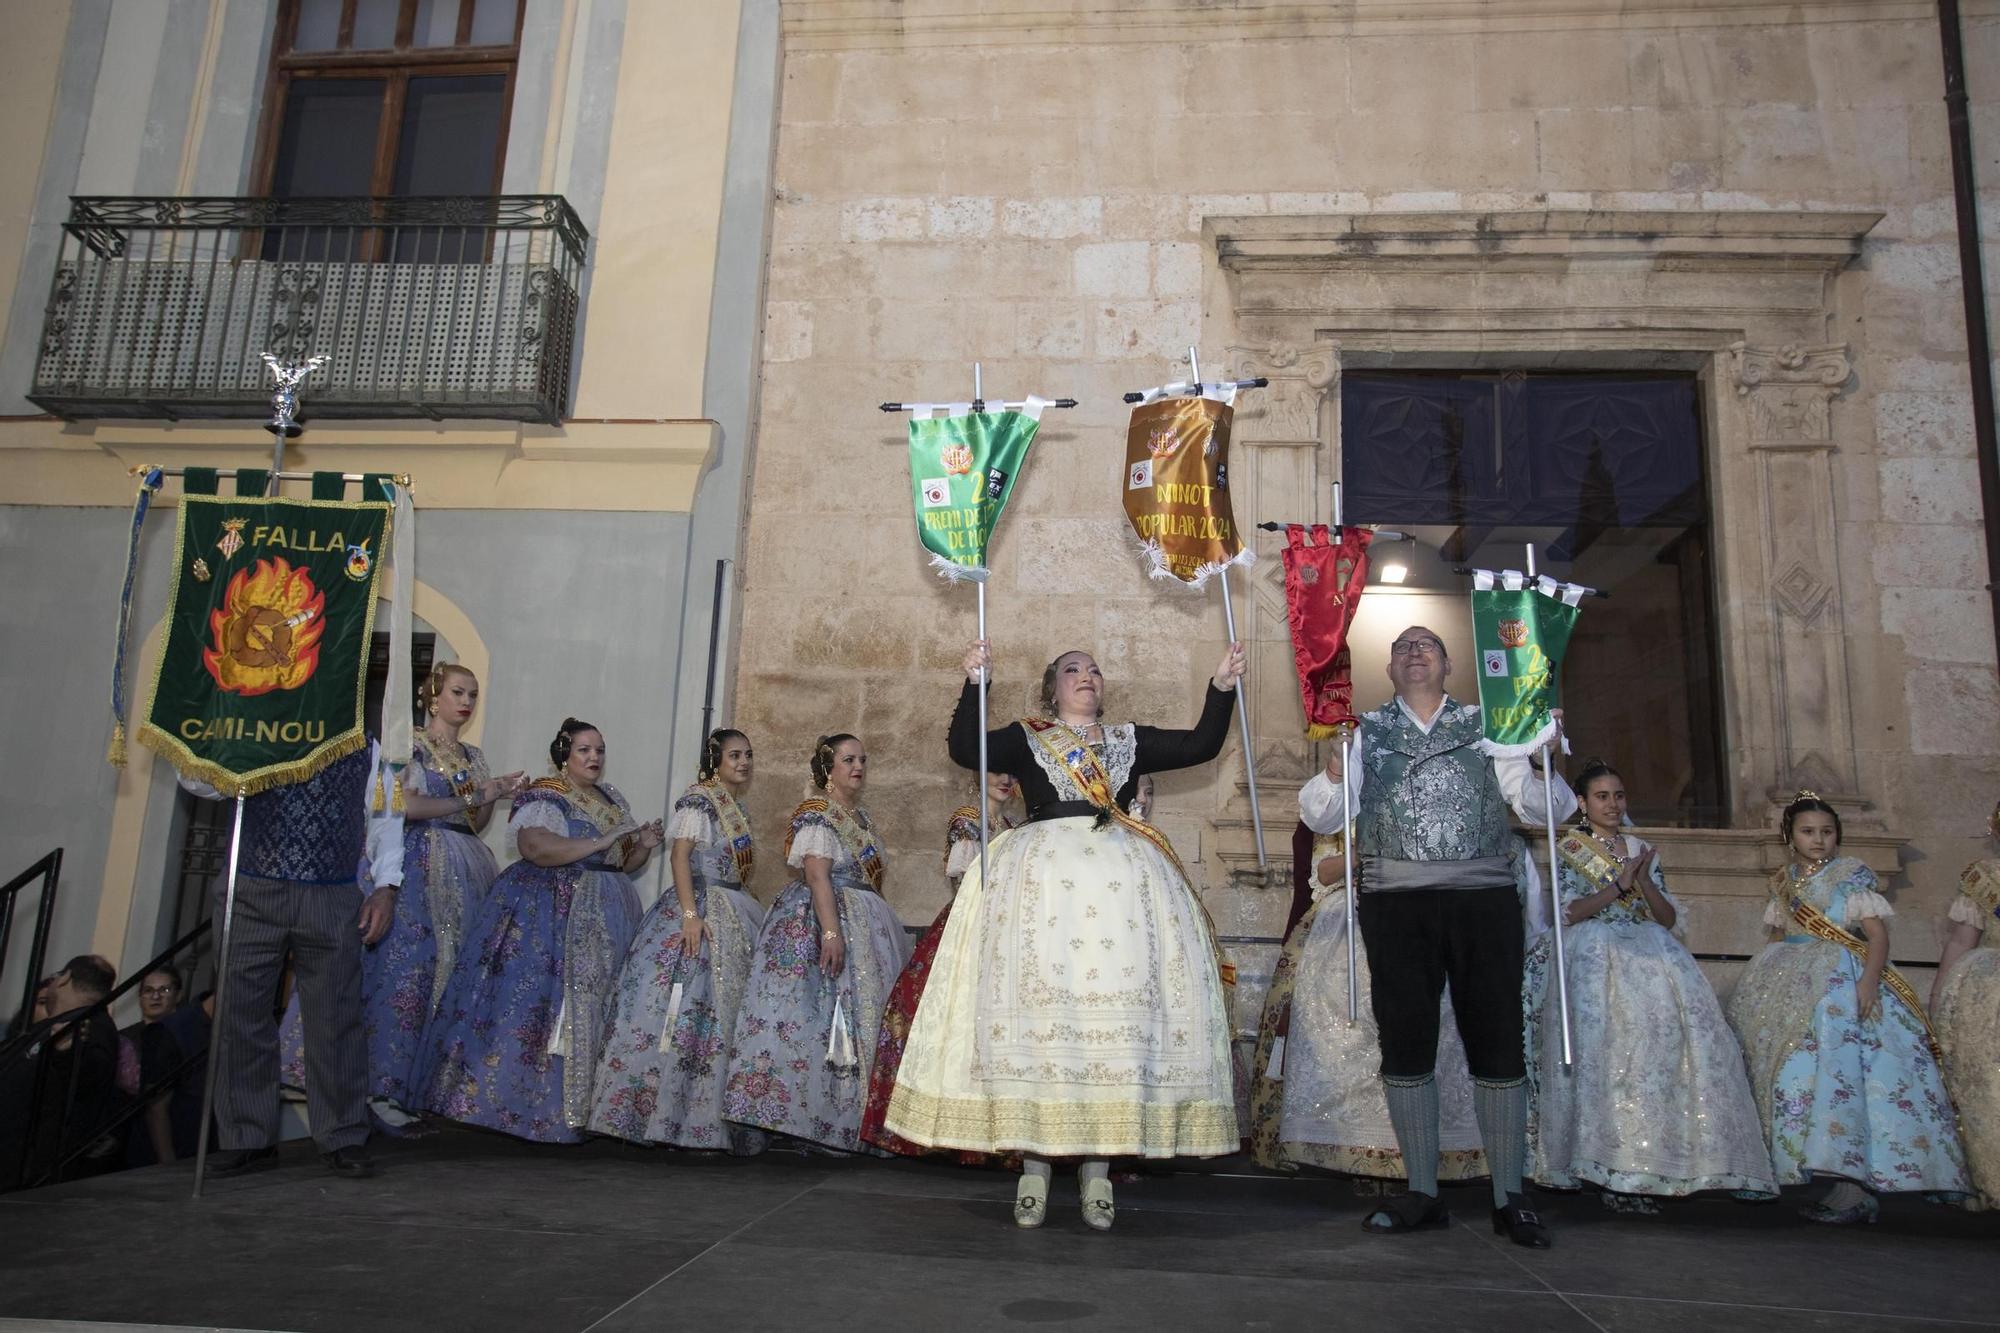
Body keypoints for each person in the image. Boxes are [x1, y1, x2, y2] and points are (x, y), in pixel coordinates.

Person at [882, 641, 1243, 1232]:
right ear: (1053, 690)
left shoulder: (1129, 739)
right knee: (1042, 1024)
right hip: (1044, 891)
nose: (1088, 677)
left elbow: (1200, 743)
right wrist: (977, 682)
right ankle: (1034, 1171)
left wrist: (1221, 685)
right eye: (1074, 670)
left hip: (1122, 894)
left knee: (1113, 1032)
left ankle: (1098, 1174)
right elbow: (963, 747)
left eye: (1096, 669)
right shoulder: (1028, 737)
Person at [1297, 624, 1576, 1247]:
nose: (1414, 652)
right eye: (1402, 647)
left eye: (1427, 645)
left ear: (1449, 665)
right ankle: (1422, 1190)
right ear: (1390, 669)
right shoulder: (1363, 730)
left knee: (1498, 1034)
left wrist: (1539, 759)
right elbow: (1323, 816)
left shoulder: (1491, 724)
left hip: (1483, 899)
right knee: (1405, 1036)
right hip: (1396, 903)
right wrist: (1337, 774)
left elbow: (1544, 811)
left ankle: (1510, 1195)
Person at [1524, 760, 1776, 1210]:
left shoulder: (1642, 847)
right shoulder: (1571, 848)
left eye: (1619, 795)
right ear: (1582, 803)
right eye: (1602, 796)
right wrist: (1618, 887)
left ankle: (1654, 1165)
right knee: (1607, 1060)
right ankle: (1606, 1168)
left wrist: (1642, 882)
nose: (1613, 804)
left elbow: (1668, 918)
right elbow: (1567, 913)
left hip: (1654, 957)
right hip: (1595, 959)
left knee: (1658, 1061)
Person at [1727, 792, 1969, 1222]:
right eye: (1808, 832)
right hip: (1789, 986)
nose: (1818, 840)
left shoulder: (1850, 874)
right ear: (1790, 836)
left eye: (1827, 831)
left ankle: (1853, 1187)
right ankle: (1792, 1170)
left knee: (1848, 1077)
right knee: (1794, 1079)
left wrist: (1868, 984)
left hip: (1840, 983)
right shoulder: (1784, 881)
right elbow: (1778, 937)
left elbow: (1876, 936)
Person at [417, 718, 659, 1143]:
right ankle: (528, 1110)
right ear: (564, 754)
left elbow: (621, 862)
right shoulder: (547, 793)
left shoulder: (611, 798)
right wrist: (598, 844)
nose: (594, 758)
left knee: (597, 1008)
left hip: (606, 912)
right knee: (540, 1007)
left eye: (599, 750)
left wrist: (641, 846)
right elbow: (536, 848)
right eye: (584, 749)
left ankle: (587, 1111)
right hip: (551, 913)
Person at [181, 741, 403, 1180]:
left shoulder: (360, 739)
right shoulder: (260, 723)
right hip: (251, 885)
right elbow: (196, 783)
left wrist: (386, 885)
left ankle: (342, 1136)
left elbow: (386, 811)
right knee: (239, 1011)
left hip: (332, 891)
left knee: (335, 1016)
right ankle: (248, 1138)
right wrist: (221, 746)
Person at [1249, 828, 1491, 1184]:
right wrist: (1376, 849)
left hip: (1414, 917)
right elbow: (1324, 874)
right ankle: (1357, 1150)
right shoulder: (1338, 812)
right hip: (1346, 927)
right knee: (1353, 1031)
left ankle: (1419, 1153)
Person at [722, 735, 911, 1153]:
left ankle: (844, 1118)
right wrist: (830, 932)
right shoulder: (818, 815)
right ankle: (804, 1116)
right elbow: (817, 876)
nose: (858, 766)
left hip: (866, 921)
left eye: (862, 760)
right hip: (822, 919)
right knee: (813, 1016)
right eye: (848, 760)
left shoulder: (860, 817)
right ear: (828, 768)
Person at [589, 729, 768, 1154]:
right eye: (734, 755)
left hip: (733, 909)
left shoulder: (735, 807)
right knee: (681, 1009)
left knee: (719, 1016)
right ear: (715, 759)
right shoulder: (699, 799)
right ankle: (662, 1115)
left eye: (747, 755)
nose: (743, 762)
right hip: (700, 909)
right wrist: (691, 915)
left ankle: (704, 1115)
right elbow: (679, 855)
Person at [362, 664, 522, 1119]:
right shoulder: (409, 743)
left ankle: (427, 1091)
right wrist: (473, 797)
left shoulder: (473, 756)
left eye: (472, 693)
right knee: (410, 971)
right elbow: (403, 805)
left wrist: (495, 792)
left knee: (457, 974)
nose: (466, 701)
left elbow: (478, 823)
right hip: (418, 862)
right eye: (457, 691)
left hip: (467, 865)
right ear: (433, 696)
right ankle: (383, 1086)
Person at [862, 771, 1022, 1159]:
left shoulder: (1012, 826)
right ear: (977, 776)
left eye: (1010, 773)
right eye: (995, 771)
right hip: (972, 923)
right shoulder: (968, 820)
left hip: (1005, 925)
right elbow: (969, 881)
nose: (1005, 779)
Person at [1931, 799, 2000, 1209]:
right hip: (1986, 993)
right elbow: (1961, 940)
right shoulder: (1984, 878)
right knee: (1985, 1086)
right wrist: (1939, 994)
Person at [2, 956, 123, 1188]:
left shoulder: (91, 1026)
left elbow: (92, 1073)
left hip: (28, 1172)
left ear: (65, 978)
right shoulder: (61, 1023)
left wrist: (68, 1053)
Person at [122, 965, 209, 1167]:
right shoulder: (125, 1038)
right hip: (134, 1129)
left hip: (179, 1127)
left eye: (165, 990)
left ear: (178, 995)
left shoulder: (187, 1036)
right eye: (149, 991)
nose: (156, 997)